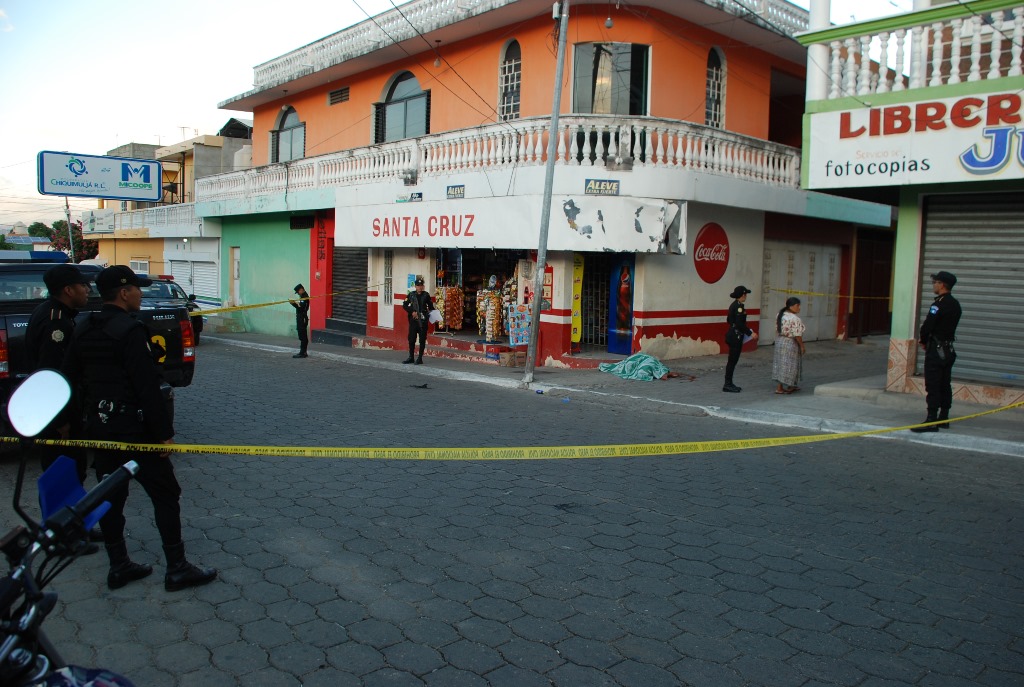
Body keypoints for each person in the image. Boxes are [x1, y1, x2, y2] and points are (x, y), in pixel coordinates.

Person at [62, 265, 217, 592]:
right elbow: (147, 387)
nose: (139, 294)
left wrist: (78, 422)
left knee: (109, 496)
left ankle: (118, 566)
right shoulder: (130, 331)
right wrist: (163, 434)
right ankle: (177, 568)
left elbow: (70, 379)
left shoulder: (83, 326)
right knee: (165, 493)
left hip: (101, 429)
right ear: (123, 292)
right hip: (135, 429)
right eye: (136, 289)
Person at [911, 271, 962, 433]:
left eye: (935, 282)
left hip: (936, 350)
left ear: (942, 285)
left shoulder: (937, 305)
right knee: (945, 383)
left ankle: (931, 419)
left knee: (933, 384)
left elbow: (927, 327)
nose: (934, 285)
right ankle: (944, 417)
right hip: (948, 350)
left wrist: (924, 341)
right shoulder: (955, 304)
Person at [723, 285, 757, 392]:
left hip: (733, 334)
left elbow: (729, 320)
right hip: (735, 336)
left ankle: (729, 383)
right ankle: (727, 384)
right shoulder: (739, 306)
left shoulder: (734, 305)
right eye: (745, 294)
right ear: (742, 295)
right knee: (732, 361)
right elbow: (739, 323)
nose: (746, 296)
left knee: (732, 361)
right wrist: (750, 333)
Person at [772, 297, 805, 394]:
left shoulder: (780, 315)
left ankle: (784, 386)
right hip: (790, 342)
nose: (799, 308)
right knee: (790, 365)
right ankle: (786, 386)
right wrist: (802, 346)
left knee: (780, 364)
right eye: (797, 305)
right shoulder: (795, 318)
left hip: (780, 341)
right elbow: (797, 335)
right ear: (791, 306)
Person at [402, 277, 435, 364]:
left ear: (423, 286)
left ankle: (420, 358)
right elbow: (404, 305)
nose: (420, 287)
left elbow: (431, 307)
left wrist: (432, 314)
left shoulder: (426, 295)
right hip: (413, 321)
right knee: (411, 339)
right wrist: (412, 311)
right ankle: (411, 357)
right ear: (415, 286)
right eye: (418, 285)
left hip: (423, 321)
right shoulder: (411, 295)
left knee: (422, 339)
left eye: (421, 286)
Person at [291, 283, 310, 358]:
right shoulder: (303, 296)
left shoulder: (305, 297)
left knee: (303, 335)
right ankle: (303, 352)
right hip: (301, 317)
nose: (298, 294)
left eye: (298, 292)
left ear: (301, 290)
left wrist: (293, 304)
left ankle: (303, 352)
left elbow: (301, 308)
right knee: (301, 334)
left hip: (302, 318)